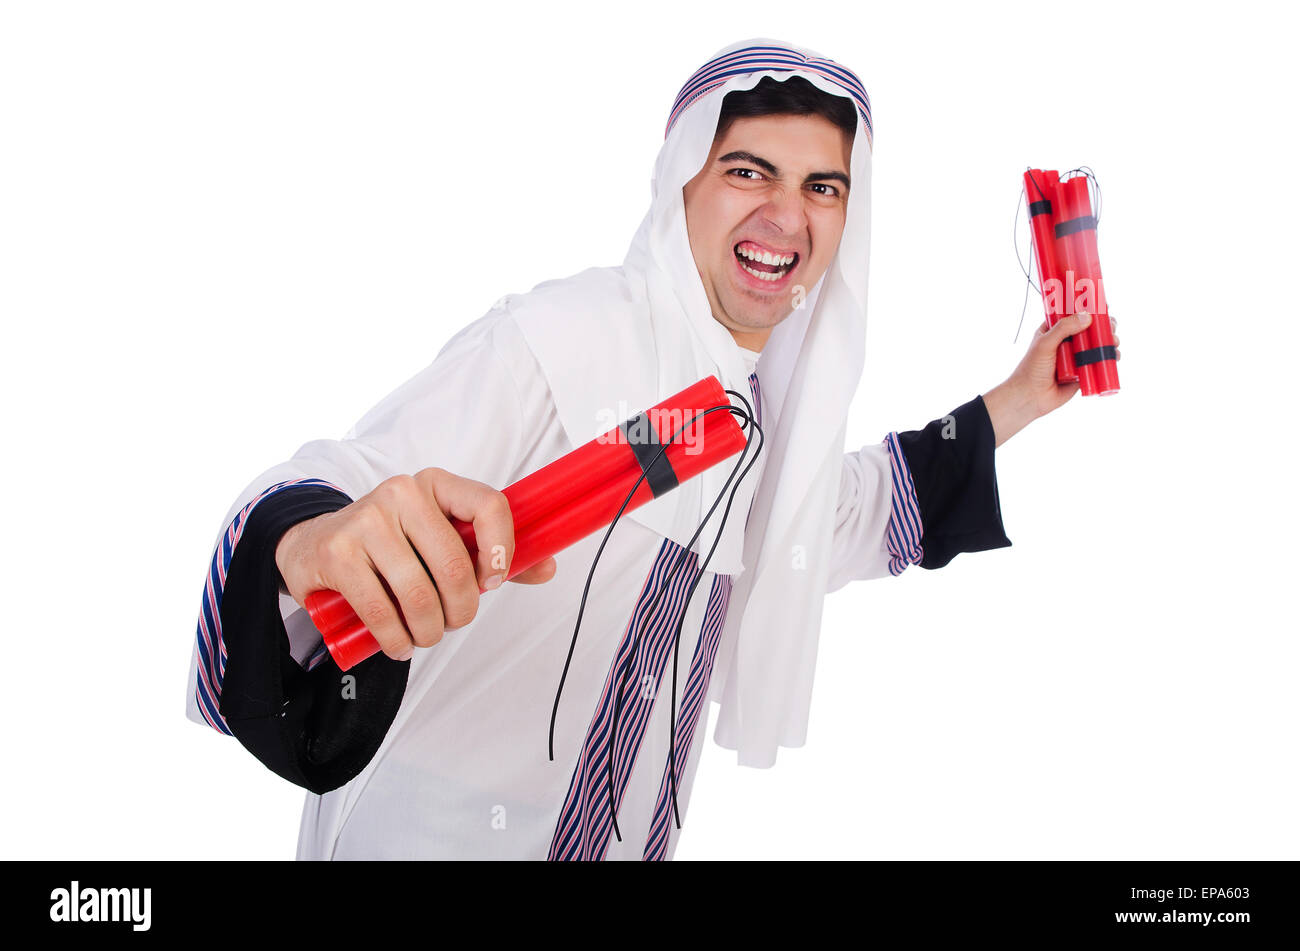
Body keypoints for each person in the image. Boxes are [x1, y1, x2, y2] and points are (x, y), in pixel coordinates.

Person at [185, 38, 1118, 860]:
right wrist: (309, 540)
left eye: (821, 187)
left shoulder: (749, 426)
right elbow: (348, 487)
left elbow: (847, 511)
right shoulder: (560, 339)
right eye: (749, 172)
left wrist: (1019, 398)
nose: (788, 218)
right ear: (683, 182)